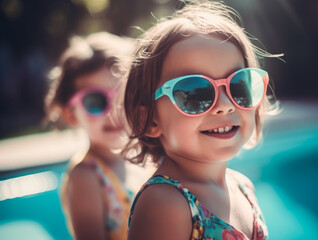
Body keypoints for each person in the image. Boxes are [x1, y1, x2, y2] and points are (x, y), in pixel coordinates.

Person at [121, 1, 278, 239]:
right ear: (151, 120)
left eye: (238, 85)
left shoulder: (243, 186)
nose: (225, 105)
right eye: (196, 92)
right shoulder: (165, 205)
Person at [44, 32, 152, 240]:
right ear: (71, 114)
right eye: (95, 102)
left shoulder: (144, 159)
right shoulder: (86, 178)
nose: (114, 112)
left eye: (123, 96)